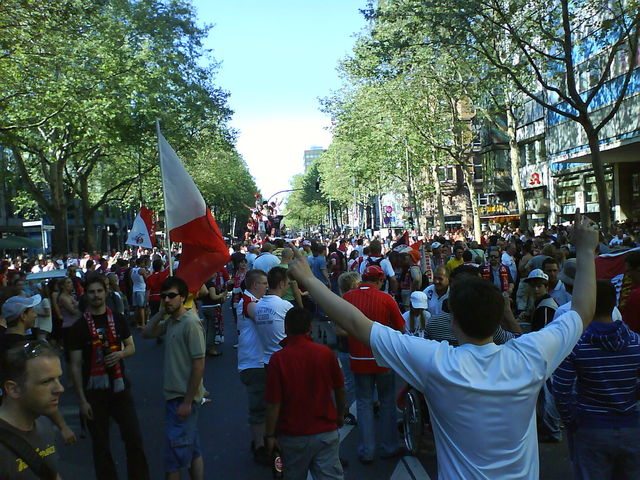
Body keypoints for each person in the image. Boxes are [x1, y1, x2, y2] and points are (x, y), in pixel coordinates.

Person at [285, 210, 598, 479]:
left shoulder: (436, 362)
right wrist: (585, 252)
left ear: (453, 321)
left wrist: (308, 280)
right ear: (498, 319)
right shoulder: (530, 355)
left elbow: (357, 324)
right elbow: (582, 312)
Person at [553, 280, 640, 479]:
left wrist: (572, 419)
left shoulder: (576, 345)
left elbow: (561, 390)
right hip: (631, 427)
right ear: (614, 303)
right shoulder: (636, 342)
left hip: (591, 429)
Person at [68, 275, 149, 480]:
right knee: (101, 446)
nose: (96, 296)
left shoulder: (118, 319)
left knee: (134, 439)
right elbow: (75, 366)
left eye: (99, 291)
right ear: (86, 295)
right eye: (92, 292)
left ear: (105, 292)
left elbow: (131, 347)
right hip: (94, 393)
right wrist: (82, 400)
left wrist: (120, 354)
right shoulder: (79, 327)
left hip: (120, 388)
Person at [264, 307, 345, 480]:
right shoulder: (325, 353)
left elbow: (274, 402)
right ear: (310, 327)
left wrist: (269, 434)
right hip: (325, 430)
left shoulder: (278, 359)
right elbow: (340, 387)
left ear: (285, 328)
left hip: (292, 434)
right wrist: (340, 415)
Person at [142, 276, 205, 480]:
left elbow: (199, 365)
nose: (167, 300)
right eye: (164, 296)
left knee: (172, 461)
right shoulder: (171, 322)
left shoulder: (191, 324)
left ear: (183, 297)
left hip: (181, 400)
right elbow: (147, 333)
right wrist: (161, 310)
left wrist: (188, 401)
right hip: (175, 398)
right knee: (193, 450)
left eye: (171, 296)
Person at [343, 265, 404, 464]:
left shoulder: (348, 298)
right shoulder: (386, 299)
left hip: (358, 358)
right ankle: (389, 446)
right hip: (383, 358)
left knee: (363, 403)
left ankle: (366, 450)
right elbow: (400, 328)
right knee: (387, 402)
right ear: (379, 280)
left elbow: (339, 328)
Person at [0, 340, 63, 479]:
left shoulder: (44, 425)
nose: (60, 389)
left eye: (59, 379)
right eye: (46, 381)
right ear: (14, 389)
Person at [236, 269, 270, 465]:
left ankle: (264, 440)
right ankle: (259, 446)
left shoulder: (252, 301)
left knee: (266, 404)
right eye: (264, 283)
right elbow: (262, 317)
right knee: (258, 407)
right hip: (254, 362)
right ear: (255, 285)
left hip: (257, 360)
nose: (267, 287)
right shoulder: (248, 303)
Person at [255, 267, 293, 365]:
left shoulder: (257, 305)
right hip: (284, 359)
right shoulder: (286, 306)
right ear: (281, 284)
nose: (289, 286)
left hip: (266, 360)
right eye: (288, 283)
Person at [130, 257, 149, 329]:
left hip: (134, 289)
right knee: (142, 307)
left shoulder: (132, 270)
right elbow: (146, 279)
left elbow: (131, 280)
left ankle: (137, 323)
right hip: (141, 290)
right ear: (141, 263)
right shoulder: (142, 270)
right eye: (143, 263)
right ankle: (143, 323)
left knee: (136, 308)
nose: (144, 264)